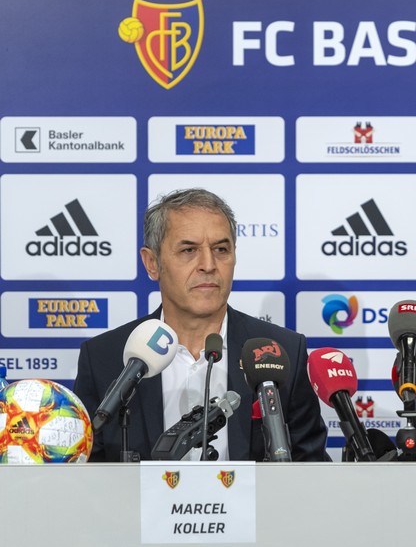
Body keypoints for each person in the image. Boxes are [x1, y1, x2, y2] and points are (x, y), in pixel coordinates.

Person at [74, 188, 329, 461]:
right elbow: (86, 474)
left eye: (221, 249)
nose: (208, 264)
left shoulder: (280, 351)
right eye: (188, 250)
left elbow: (310, 470)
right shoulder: (104, 357)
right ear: (152, 263)